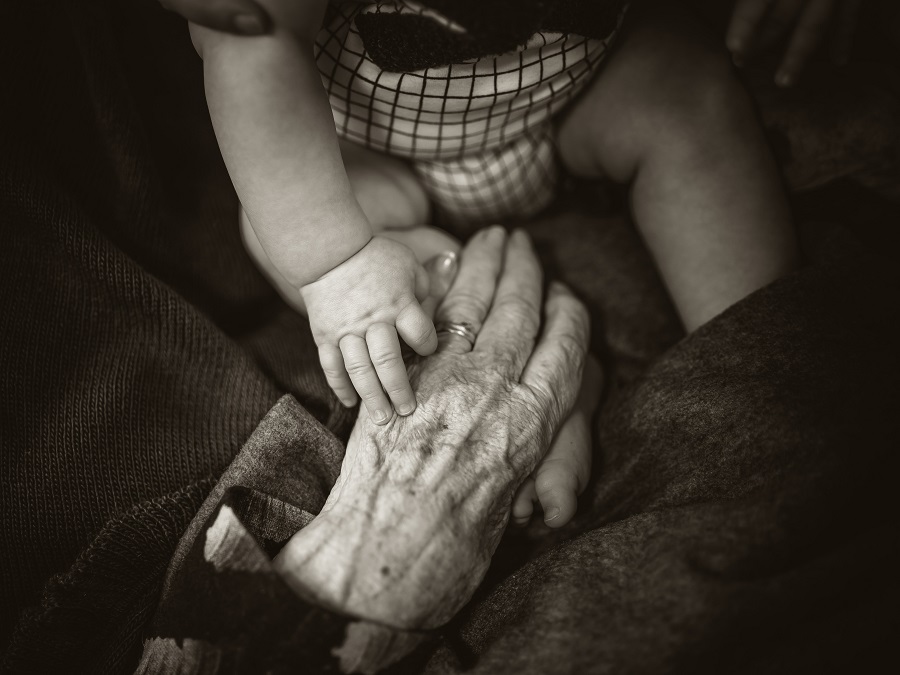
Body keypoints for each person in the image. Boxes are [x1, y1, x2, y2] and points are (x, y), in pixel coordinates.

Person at [174, 0, 865, 529]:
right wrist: (339, 262)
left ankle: (759, 371)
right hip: (367, 145)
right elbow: (253, 38)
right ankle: (539, 386)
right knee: (294, 239)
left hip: (580, 92)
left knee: (693, 99)